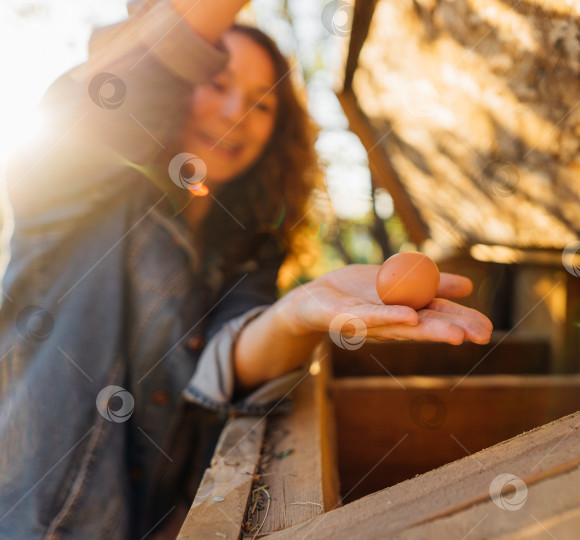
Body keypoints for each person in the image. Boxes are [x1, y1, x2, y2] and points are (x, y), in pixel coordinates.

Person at [0, 0, 492, 538]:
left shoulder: (248, 244)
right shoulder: (76, 188)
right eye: (217, 82)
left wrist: (295, 315)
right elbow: (117, 87)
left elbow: (227, 356)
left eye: (262, 104)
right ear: (175, 90)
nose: (237, 111)